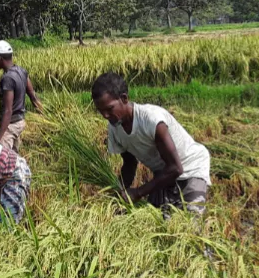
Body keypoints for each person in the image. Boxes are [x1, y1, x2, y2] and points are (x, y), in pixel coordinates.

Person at [90, 72, 211, 219]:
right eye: (100, 111)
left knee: (189, 226)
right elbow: (129, 164)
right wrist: (118, 193)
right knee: (157, 221)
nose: (105, 116)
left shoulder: (152, 120)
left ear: (124, 98)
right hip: (163, 172)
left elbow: (176, 168)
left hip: (190, 167)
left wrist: (138, 192)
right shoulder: (115, 128)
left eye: (109, 109)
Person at [0, 40, 43, 151]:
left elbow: (8, 111)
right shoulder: (21, 71)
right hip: (20, 123)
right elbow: (33, 96)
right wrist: (45, 115)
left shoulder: (8, 79)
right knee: (13, 158)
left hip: (10, 126)